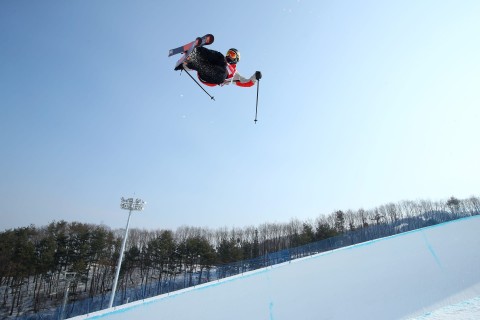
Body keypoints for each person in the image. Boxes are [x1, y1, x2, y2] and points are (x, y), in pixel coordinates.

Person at [181, 47, 262, 87]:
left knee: (223, 72)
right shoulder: (222, 59)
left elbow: (247, 83)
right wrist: (184, 66)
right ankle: (195, 53)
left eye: (232, 55)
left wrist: (255, 77)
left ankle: (193, 63)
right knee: (219, 56)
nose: (229, 56)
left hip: (213, 78)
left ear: (236, 59)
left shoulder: (234, 74)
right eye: (228, 53)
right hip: (203, 71)